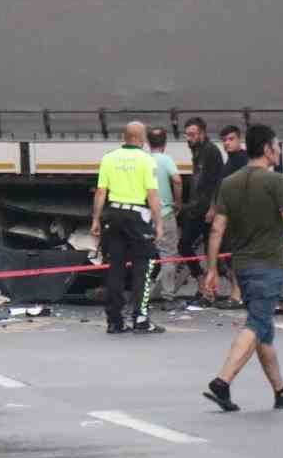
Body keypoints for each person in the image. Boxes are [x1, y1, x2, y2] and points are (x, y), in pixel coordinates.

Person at [202, 125, 283, 413]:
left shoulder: (230, 183)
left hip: (242, 268)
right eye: (277, 146)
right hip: (268, 266)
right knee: (257, 324)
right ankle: (222, 381)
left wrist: (211, 269)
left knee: (264, 329)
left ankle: (281, 392)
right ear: (267, 149)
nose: (279, 151)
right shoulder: (275, 182)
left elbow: (217, 228)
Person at [91, 121, 164, 335]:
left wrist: (95, 220)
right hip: (137, 216)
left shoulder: (109, 158)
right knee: (143, 266)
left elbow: (100, 192)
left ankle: (114, 321)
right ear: (142, 138)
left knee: (115, 268)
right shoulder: (146, 161)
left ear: (125, 137)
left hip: (113, 215)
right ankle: (140, 319)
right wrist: (159, 224)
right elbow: (152, 194)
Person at [178, 118, 225, 304]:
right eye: (187, 134)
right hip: (196, 208)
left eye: (192, 134)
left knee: (209, 250)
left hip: (206, 210)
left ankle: (208, 289)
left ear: (202, 134)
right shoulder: (197, 151)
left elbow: (217, 182)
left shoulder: (210, 152)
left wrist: (213, 208)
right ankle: (204, 285)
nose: (189, 138)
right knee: (193, 247)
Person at [209, 124, 248, 308]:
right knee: (229, 256)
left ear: (239, 139)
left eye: (231, 139)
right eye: (224, 140)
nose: (227, 143)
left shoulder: (242, 160)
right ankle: (237, 293)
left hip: (237, 215)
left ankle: (237, 295)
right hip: (228, 214)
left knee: (235, 256)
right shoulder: (231, 161)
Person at [148, 128, 183, 301]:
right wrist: (178, 201)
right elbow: (177, 180)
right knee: (168, 254)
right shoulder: (166, 159)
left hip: (146, 214)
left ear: (148, 143)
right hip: (165, 212)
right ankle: (168, 296)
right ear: (165, 143)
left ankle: (142, 296)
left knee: (144, 256)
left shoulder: (145, 160)